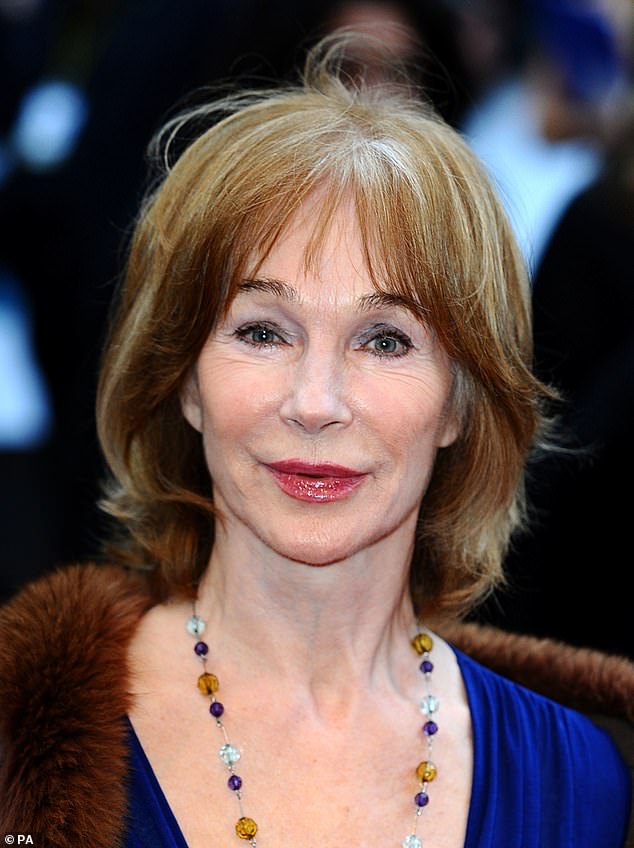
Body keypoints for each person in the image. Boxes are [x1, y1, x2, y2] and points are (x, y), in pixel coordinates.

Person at [0, 31, 632, 848]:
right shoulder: (19, 735)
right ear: (184, 378)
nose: (316, 402)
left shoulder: (585, 783)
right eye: (263, 332)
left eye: (384, 340)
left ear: (460, 403)